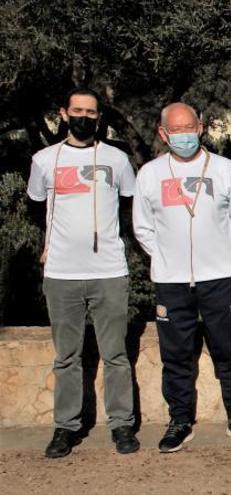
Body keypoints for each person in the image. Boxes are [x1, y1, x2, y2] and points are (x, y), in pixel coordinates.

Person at [133, 102, 231, 453]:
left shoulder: (224, 169)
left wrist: (224, 253)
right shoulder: (150, 174)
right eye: (175, 130)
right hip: (171, 279)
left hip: (219, 277)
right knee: (175, 354)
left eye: (189, 127)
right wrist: (163, 257)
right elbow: (142, 227)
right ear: (163, 134)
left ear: (201, 127)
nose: (183, 135)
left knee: (230, 349)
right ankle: (179, 420)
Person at [27, 87, 139, 458]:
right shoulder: (45, 160)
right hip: (61, 272)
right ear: (63, 113)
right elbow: (37, 209)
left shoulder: (117, 159)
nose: (84, 117)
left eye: (91, 112)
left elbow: (128, 208)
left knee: (115, 355)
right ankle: (66, 427)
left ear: (98, 116)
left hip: (108, 270)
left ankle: (122, 424)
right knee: (66, 357)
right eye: (77, 110)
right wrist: (48, 249)